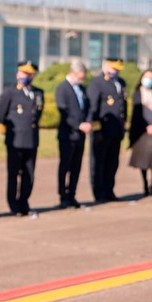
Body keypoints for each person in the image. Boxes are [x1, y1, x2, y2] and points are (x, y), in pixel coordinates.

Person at [0, 61, 44, 217]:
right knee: (13, 174)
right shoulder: (10, 92)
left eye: (30, 74)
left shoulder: (38, 93)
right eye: (24, 73)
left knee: (29, 174)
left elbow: (37, 115)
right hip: (15, 140)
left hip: (31, 140)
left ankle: (24, 202)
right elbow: (1, 115)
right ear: (18, 74)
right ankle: (14, 205)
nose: (27, 76)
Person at [86, 57, 127, 202]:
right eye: (113, 68)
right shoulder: (97, 83)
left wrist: (123, 127)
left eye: (117, 69)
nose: (115, 71)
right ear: (105, 67)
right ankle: (99, 192)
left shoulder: (120, 83)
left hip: (116, 130)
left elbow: (123, 107)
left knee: (112, 162)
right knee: (98, 162)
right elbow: (93, 108)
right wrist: (95, 130)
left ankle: (109, 189)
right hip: (102, 131)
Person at [55, 59, 90, 208]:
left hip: (81, 135)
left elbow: (87, 108)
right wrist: (78, 125)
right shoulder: (62, 88)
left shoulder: (82, 89)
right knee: (65, 166)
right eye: (80, 77)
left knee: (76, 167)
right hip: (67, 135)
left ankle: (72, 194)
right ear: (72, 73)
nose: (81, 79)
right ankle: (63, 196)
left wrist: (87, 122)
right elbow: (64, 112)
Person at [128, 69, 152, 196]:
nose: (149, 80)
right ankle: (145, 185)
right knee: (143, 159)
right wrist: (146, 126)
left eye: (151, 78)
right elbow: (136, 114)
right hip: (143, 131)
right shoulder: (137, 93)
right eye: (147, 77)